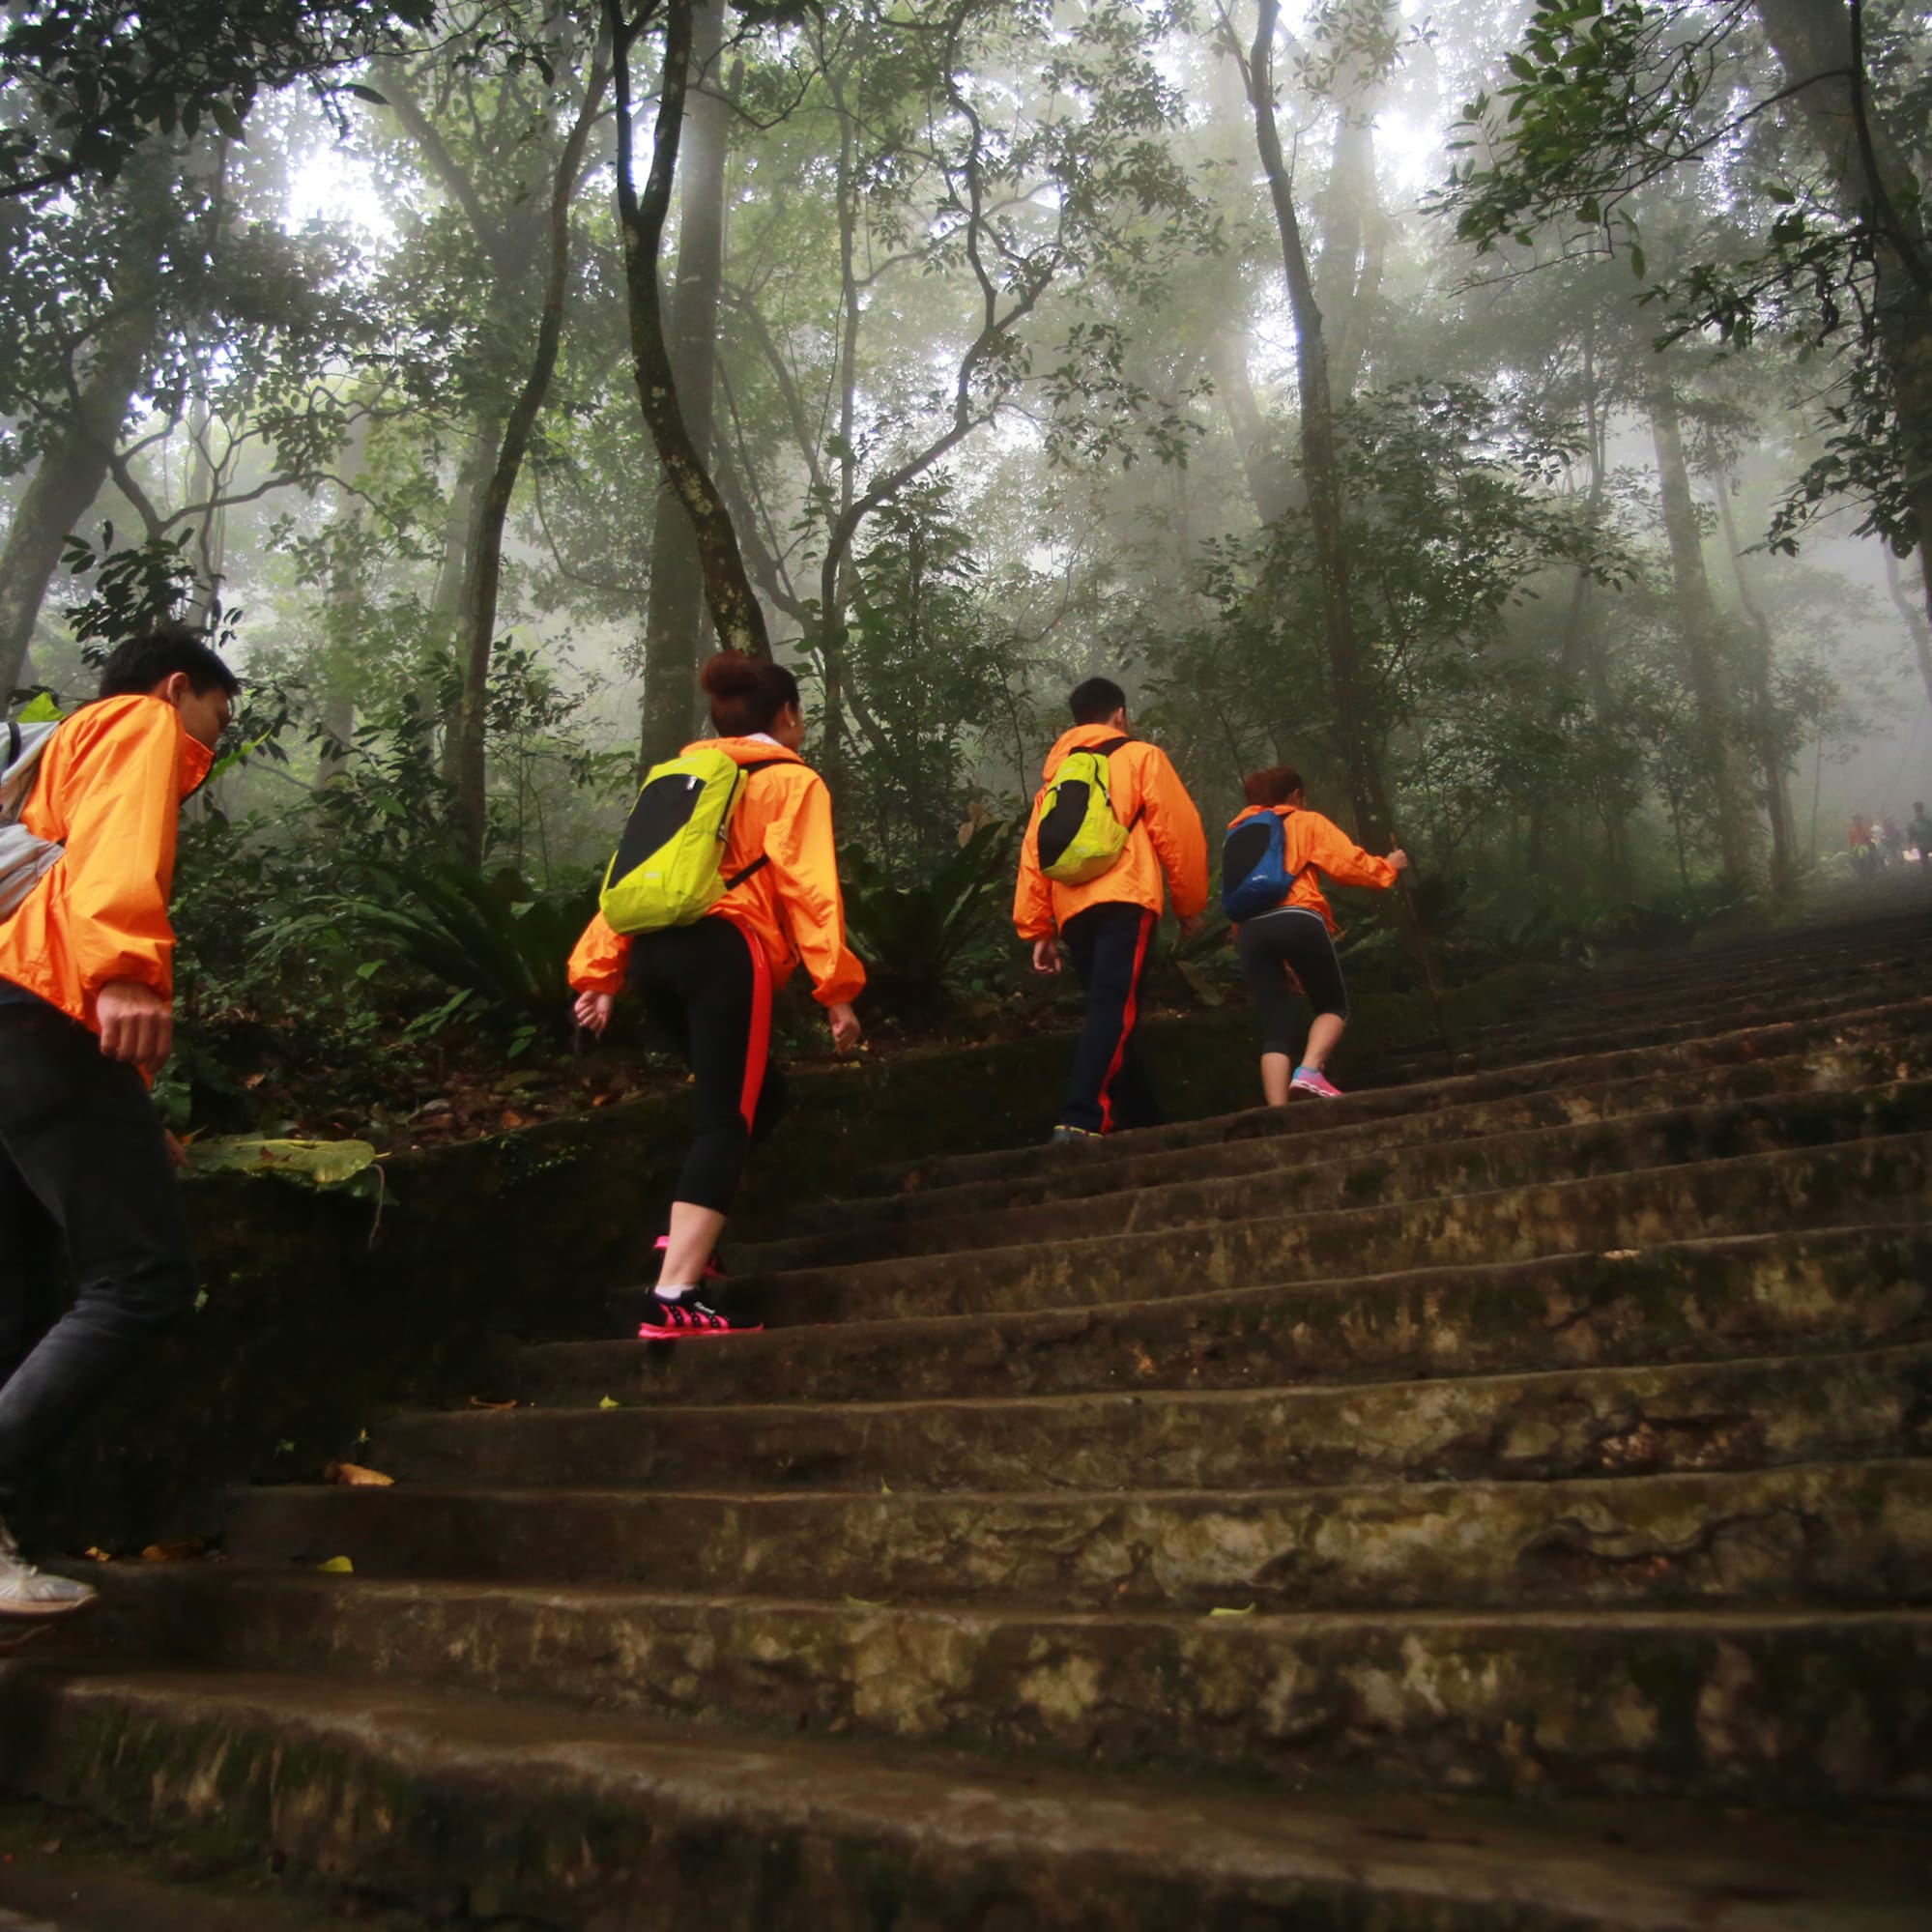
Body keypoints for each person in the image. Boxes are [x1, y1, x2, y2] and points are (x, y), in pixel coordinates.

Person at [0, 626, 237, 1618]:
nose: (211, 749)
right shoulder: (135, 721)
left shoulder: (39, 765)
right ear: (179, 687)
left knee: (13, 1290)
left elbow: (44, 901)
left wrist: (129, 1106)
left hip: (9, 1030)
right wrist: (129, 973)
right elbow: (111, 866)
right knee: (140, 1279)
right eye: (215, 721)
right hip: (42, 1015)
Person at [568, 652, 864, 1338]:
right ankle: (673, 1295)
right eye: (801, 713)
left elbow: (632, 876)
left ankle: (683, 1238)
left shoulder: (679, 777)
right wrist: (836, 990)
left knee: (762, 1096)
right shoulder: (791, 781)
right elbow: (808, 888)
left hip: (654, 954)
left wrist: (600, 973)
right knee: (726, 1117)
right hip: (726, 952)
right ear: (786, 715)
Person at [1014, 677, 1208, 1141]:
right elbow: (1177, 834)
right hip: (1126, 898)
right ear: (1119, 714)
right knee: (1113, 1009)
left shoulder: (1057, 778)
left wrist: (1039, 927)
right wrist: (1189, 905)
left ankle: (1140, 1118)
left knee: (1114, 1009)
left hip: (1074, 909)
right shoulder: (1141, 757)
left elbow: (1033, 854)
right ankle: (1080, 1118)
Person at [1224, 765, 1406, 1104]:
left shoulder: (1236, 834)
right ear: (1295, 795)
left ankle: (1279, 1113)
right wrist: (1389, 867)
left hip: (1248, 931)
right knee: (1333, 1005)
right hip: (1296, 918)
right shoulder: (1305, 822)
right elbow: (1348, 865)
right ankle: (1308, 1071)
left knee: (1274, 1028)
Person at [1909, 801, 1932, 873]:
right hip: (1922, 843)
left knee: (1924, 860)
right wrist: (1910, 844)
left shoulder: (1927, 820)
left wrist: (1910, 844)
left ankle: (1928, 875)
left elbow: (1911, 834)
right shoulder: (1913, 822)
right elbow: (1911, 834)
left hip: (1925, 842)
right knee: (1924, 861)